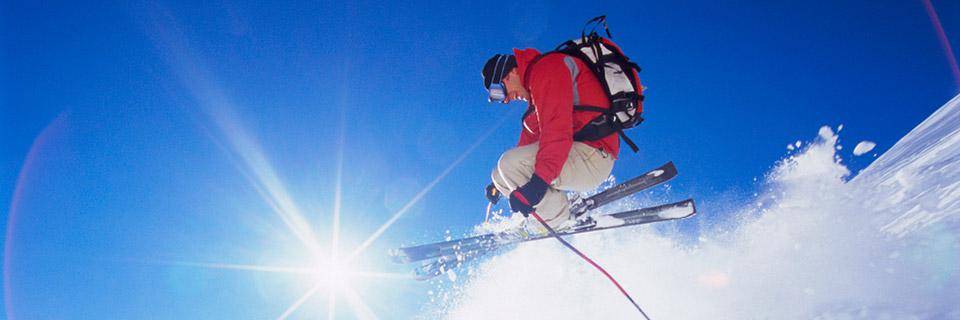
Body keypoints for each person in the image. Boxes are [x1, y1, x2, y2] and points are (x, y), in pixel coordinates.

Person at [481, 48, 620, 230]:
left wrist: (537, 185)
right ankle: (551, 213)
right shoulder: (536, 95)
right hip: (576, 155)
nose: (506, 100)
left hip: (593, 154)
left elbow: (557, 132)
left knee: (509, 165)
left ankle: (557, 219)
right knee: (500, 174)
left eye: (500, 91)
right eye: (498, 98)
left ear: (513, 71)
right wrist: (499, 185)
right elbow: (527, 146)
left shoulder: (547, 69)